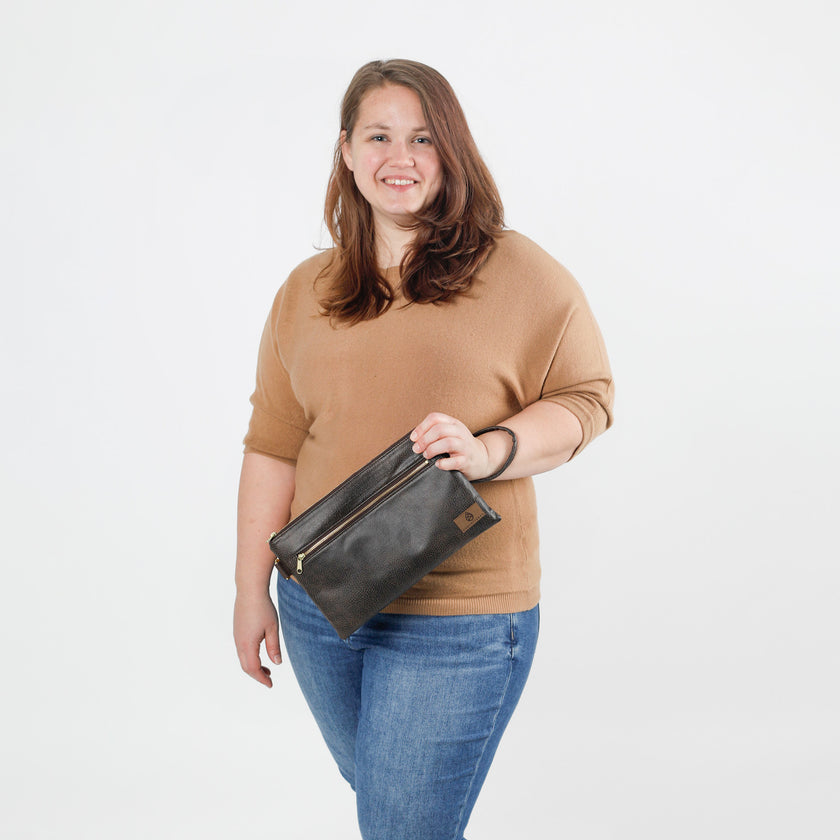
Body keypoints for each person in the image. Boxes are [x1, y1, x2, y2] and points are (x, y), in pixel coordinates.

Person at [233, 59, 614, 840]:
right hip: (321, 603)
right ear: (346, 150)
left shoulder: (518, 272)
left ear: (452, 154)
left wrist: (492, 450)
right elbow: (272, 445)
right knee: (393, 813)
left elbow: (588, 400)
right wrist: (250, 592)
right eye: (378, 136)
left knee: (403, 825)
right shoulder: (306, 289)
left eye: (422, 138)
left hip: (460, 616)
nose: (398, 157)